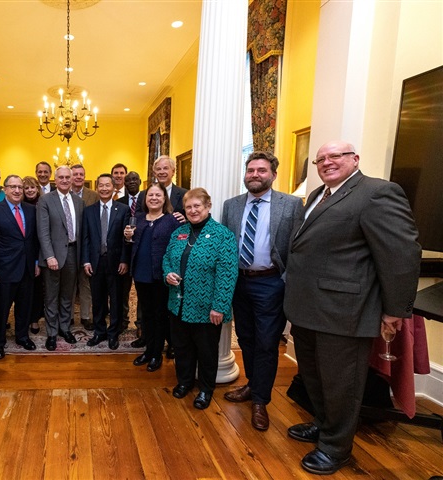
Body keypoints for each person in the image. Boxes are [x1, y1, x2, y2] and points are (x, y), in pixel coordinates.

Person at [284, 141, 420, 475]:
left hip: (344, 311)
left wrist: (395, 310)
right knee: (314, 378)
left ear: (355, 159)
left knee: (341, 385)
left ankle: (336, 448)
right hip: (306, 308)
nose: (326, 162)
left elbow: (401, 253)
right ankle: (323, 425)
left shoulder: (377, 193)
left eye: (336, 156)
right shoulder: (317, 195)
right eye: (320, 159)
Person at [220, 151, 303, 431]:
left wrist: (285, 280)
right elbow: (225, 244)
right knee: (246, 338)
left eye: (261, 170)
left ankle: (260, 400)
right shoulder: (231, 205)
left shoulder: (291, 205)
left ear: (273, 175)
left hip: (271, 283)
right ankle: (252, 384)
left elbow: (298, 247)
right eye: (251, 170)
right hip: (239, 282)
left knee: (267, 343)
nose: (255, 175)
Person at [163, 188, 238, 409]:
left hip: (207, 308)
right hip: (178, 303)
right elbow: (167, 258)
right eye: (189, 207)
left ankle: (206, 389)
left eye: (197, 206)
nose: (193, 210)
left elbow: (227, 273)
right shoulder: (179, 233)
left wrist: (220, 306)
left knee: (206, 351)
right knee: (182, 347)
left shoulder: (222, 235)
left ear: (208, 206)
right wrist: (168, 273)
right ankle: (184, 382)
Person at [123, 182, 180, 370]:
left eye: (158, 195)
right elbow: (131, 243)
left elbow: (177, 248)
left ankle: (156, 354)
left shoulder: (172, 220)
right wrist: (128, 237)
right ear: (145, 199)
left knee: (160, 315)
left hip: (160, 275)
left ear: (164, 199)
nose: (154, 198)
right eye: (150, 195)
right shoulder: (138, 218)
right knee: (146, 314)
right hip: (140, 273)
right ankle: (148, 350)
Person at [0, 175, 40, 359]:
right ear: (5, 190)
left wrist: (36, 262)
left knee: (24, 306)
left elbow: (34, 239)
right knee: (2, 309)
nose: (17, 191)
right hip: (5, 269)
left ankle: (22, 337)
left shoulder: (31, 210)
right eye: (13, 187)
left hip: (27, 267)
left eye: (20, 187)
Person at [37, 166, 84, 351]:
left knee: (67, 295)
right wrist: (49, 255)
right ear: (55, 180)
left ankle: (64, 328)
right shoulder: (45, 200)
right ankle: (51, 333)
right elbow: (43, 231)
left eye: (67, 177)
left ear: (71, 180)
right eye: (61, 177)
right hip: (53, 256)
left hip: (73, 253)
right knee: (51, 296)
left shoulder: (79, 202)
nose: (64, 180)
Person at [82, 174, 130, 350]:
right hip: (95, 262)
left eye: (107, 185)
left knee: (116, 299)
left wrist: (124, 260)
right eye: (100, 185)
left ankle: (113, 333)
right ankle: (99, 331)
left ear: (113, 187)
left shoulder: (123, 209)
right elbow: (85, 238)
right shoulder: (89, 211)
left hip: (116, 262)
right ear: (97, 188)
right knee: (98, 299)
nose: (104, 188)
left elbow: (126, 239)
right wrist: (86, 261)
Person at [70, 163, 98, 330]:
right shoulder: (63, 194)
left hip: (87, 245)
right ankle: (68, 316)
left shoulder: (93, 195)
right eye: (75, 174)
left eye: (81, 174)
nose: (78, 177)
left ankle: (86, 316)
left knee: (85, 282)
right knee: (69, 284)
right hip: (69, 246)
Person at [118, 170, 144, 336]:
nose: (132, 182)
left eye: (135, 179)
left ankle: (141, 323)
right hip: (124, 252)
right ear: (124, 184)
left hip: (142, 252)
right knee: (122, 290)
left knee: (142, 291)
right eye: (128, 180)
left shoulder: (148, 200)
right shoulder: (119, 202)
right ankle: (123, 320)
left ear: (140, 181)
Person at [22, 176, 45, 334]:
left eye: (32, 187)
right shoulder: (19, 205)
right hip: (23, 253)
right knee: (24, 290)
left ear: (38, 189)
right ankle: (24, 318)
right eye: (26, 188)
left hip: (39, 251)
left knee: (38, 289)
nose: (30, 190)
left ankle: (35, 319)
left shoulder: (43, 204)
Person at [153, 155, 187, 220]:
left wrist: (185, 220)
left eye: (165, 168)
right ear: (154, 173)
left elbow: (191, 217)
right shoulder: (144, 195)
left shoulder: (184, 194)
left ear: (173, 171)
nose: (162, 172)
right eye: (158, 169)